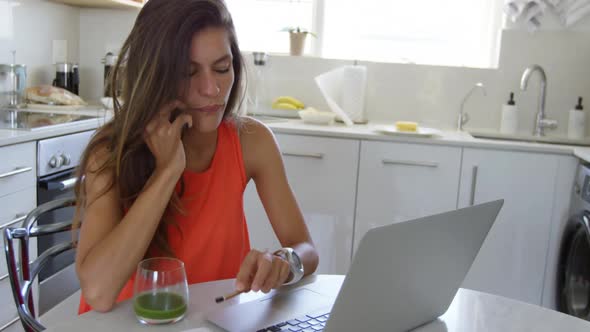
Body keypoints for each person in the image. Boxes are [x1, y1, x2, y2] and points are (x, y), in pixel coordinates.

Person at [74, 0, 318, 313]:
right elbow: (98, 292)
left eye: (221, 68)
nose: (211, 88)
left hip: (213, 320)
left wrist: (285, 261)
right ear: (154, 76)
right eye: (188, 72)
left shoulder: (251, 142)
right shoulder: (110, 152)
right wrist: (167, 171)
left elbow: (306, 249)